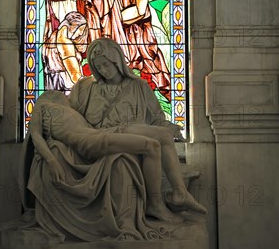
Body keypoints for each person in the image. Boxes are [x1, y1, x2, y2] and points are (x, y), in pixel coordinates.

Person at [69, 37, 206, 215]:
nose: (103, 70)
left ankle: (178, 193)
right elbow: (70, 115)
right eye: (98, 67)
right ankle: (172, 196)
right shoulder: (86, 87)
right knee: (160, 137)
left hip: (126, 134)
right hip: (102, 136)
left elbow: (157, 118)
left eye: (106, 64)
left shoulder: (139, 86)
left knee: (163, 135)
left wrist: (169, 127)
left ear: (116, 60)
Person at [29, 90, 176, 222]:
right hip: (91, 142)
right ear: (52, 95)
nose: (67, 97)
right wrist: (51, 160)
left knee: (159, 138)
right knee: (152, 146)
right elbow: (36, 135)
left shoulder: (71, 112)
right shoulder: (43, 105)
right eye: (64, 95)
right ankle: (155, 205)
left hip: (100, 133)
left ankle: (174, 194)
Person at [115, 0, 171, 101]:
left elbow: (140, 9)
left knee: (151, 65)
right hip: (122, 32)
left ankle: (165, 97)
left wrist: (116, 19)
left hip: (140, 32)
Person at [42, 11, 88, 92]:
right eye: (80, 29)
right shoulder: (64, 42)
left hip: (53, 84)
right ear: (73, 26)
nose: (81, 33)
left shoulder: (52, 38)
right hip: (66, 86)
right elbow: (74, 75)